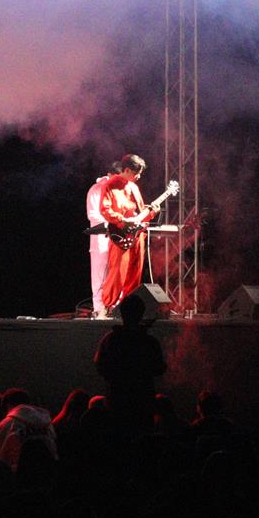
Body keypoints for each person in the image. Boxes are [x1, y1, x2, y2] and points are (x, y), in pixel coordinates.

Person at [93, 290, 166, 437]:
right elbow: (160, 368)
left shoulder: (111, 339)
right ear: (141, 314)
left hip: (117, 400)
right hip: (142, 401)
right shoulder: (149, 341)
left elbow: (99, 365)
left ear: (121, 313)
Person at [96, 154, 157, 314]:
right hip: (121, 235)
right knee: (118, 272)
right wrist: (122, 219)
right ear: (127, 170)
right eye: (136, 173)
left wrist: (151, 212)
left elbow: (140, 213)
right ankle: (107, 308)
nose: (139, 177)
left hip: (137, 235)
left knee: (135, 273)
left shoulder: (134, 187)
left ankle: (129, 309)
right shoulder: (110, 185)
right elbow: (105, 210)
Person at [85, 169, 113, 318]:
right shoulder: (96, 190)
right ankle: (99, 310)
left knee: (115, 275)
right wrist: (114, 222)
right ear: (111, 175)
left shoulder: (120, 190)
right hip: (101, 239)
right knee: (100, 276)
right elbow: (93, 215)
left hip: (117, 240)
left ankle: (116, 308)